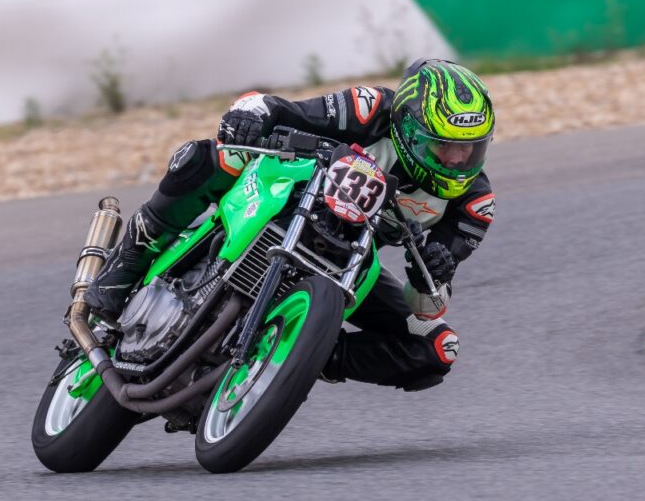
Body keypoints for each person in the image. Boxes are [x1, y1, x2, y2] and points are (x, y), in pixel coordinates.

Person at [85, 58, 495, 391]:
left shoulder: (474, 203)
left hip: (355, 262)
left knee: (438, 347)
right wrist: (252, 113)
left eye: (470, 149)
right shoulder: (371, 109)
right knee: (213, 156)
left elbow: (428, 304)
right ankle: (128, 262)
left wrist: (432, 275)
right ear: (408, 128)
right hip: (297, 197)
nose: (458, 160)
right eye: (444, 146)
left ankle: (302, 355)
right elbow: (287, 111)